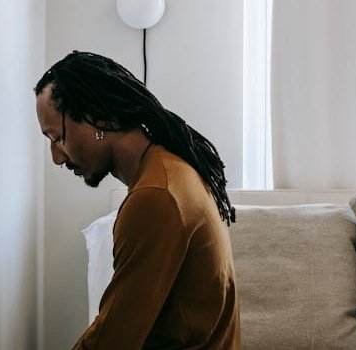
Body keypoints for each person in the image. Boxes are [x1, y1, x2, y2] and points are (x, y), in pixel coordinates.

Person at [34, 51, 240, 349]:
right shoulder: (175, 170)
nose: (56, 157)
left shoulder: (155, 200)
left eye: (58, 137)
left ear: (98, 117)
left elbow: (112, 341)